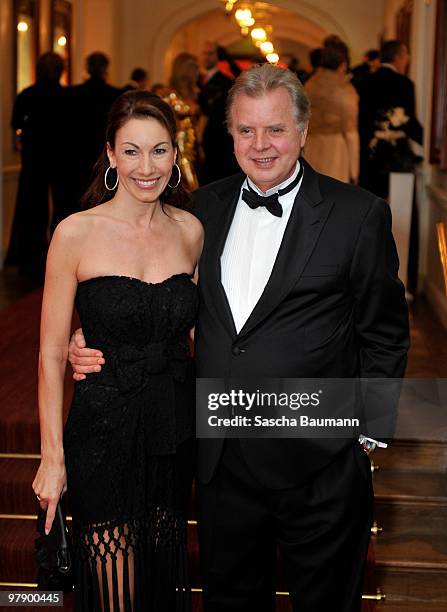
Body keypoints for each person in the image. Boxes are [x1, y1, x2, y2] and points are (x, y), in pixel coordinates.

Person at [69, 64, 409, 612]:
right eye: (246, 130)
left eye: (275, 129)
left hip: (319, 460)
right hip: (223, 462)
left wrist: (364, 435)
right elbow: (162, 299)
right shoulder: (201, 211)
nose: (261, 144)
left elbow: (386, 332)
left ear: (303, 130)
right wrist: (90, 338)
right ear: (228, 135)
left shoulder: (357, 214)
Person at [32, 90, 203, 611]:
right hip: (103, 430)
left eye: (158, 150)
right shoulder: (75, 233)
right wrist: (52, 457)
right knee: (116, 593)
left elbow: (195, 337)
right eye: (131, 151)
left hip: (172, 430)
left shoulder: (191, 232)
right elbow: (48, 353)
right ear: (110, 154)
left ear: (176, 155)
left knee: (160, 579)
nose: (146, 167)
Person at [5, 52, 72, 279]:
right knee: (63, 209)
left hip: (34, 159)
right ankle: (62, 258)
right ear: (60, 71)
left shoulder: (28, 94)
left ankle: (31, 260)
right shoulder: (66, 96)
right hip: (61, 159)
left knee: (32, 208)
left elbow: (16, 124)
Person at [359, 40, 423, 197]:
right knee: (399, 205)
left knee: (371, 204)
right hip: (396, 156)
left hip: (369, 154)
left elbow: (361, 121)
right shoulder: (405, 84)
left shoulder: (365, 82)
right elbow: (410, 122)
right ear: (398, 57)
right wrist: (429, 142)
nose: (407, 60)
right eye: (406, 55)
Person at [67, 52, 122, 204]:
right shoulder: (115, 95)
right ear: (106, 69)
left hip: (75, 161)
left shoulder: (71, 95)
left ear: (87, 69)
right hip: (104, 161)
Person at [304, 45, 360, 183]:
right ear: (342, 65)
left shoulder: (309, 85)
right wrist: (354, 170)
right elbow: (351, 131)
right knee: (334, 193)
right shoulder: (345, 90)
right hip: (335, 149)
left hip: (310, 146)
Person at [198, 41, 240, 184]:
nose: (207, 57)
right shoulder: (197, 81)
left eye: (211, 54)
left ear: (217, 57)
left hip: (218, 143)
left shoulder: (225, 82)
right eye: (204, 53)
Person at [166, 53, 202, 190]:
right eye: (195, 68)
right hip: (179, 144)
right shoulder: (170, 95)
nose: (198, 72)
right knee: (189, 183)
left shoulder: (195, 93)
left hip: (193, 143)